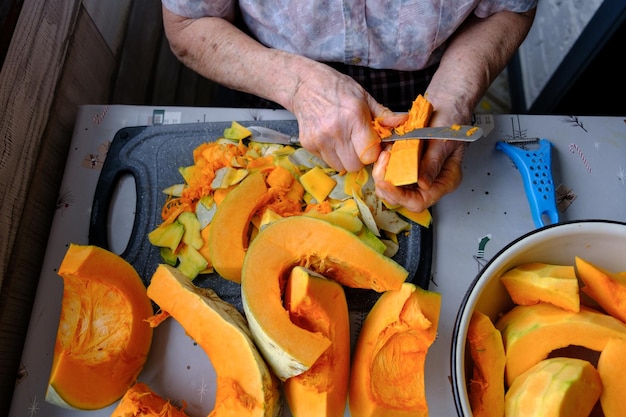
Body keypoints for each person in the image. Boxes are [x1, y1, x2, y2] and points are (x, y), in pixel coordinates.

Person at [160, 1, 536, 213]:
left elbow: (512, 8)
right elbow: (186, 24)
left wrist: (454, 96)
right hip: (267, 75)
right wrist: (297, 84)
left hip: (432, 79)